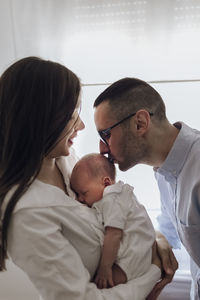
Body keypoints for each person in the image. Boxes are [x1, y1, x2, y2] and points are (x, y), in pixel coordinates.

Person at [0, 57, 161, 300]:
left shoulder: (67, 161)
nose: (82, 125)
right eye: (72, 114)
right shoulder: (27, 212)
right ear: (42, 119)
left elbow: (115, 207)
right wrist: (154, 272)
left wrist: (157, 239)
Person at [93, 76, 200, 299]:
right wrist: (158, 237)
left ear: (140, 122)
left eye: (105, 134)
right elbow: (170, 230)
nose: (102, 148)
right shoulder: (163, 172)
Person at [70, 153, 156, 289]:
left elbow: (114, 234)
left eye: (84, 193)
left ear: (106, 183)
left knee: (101, 285)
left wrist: (105, 268)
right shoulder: (116, 195)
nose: (80, 199)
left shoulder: (112, 198)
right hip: (140, 253)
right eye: (77, 194)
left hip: (133, 257)